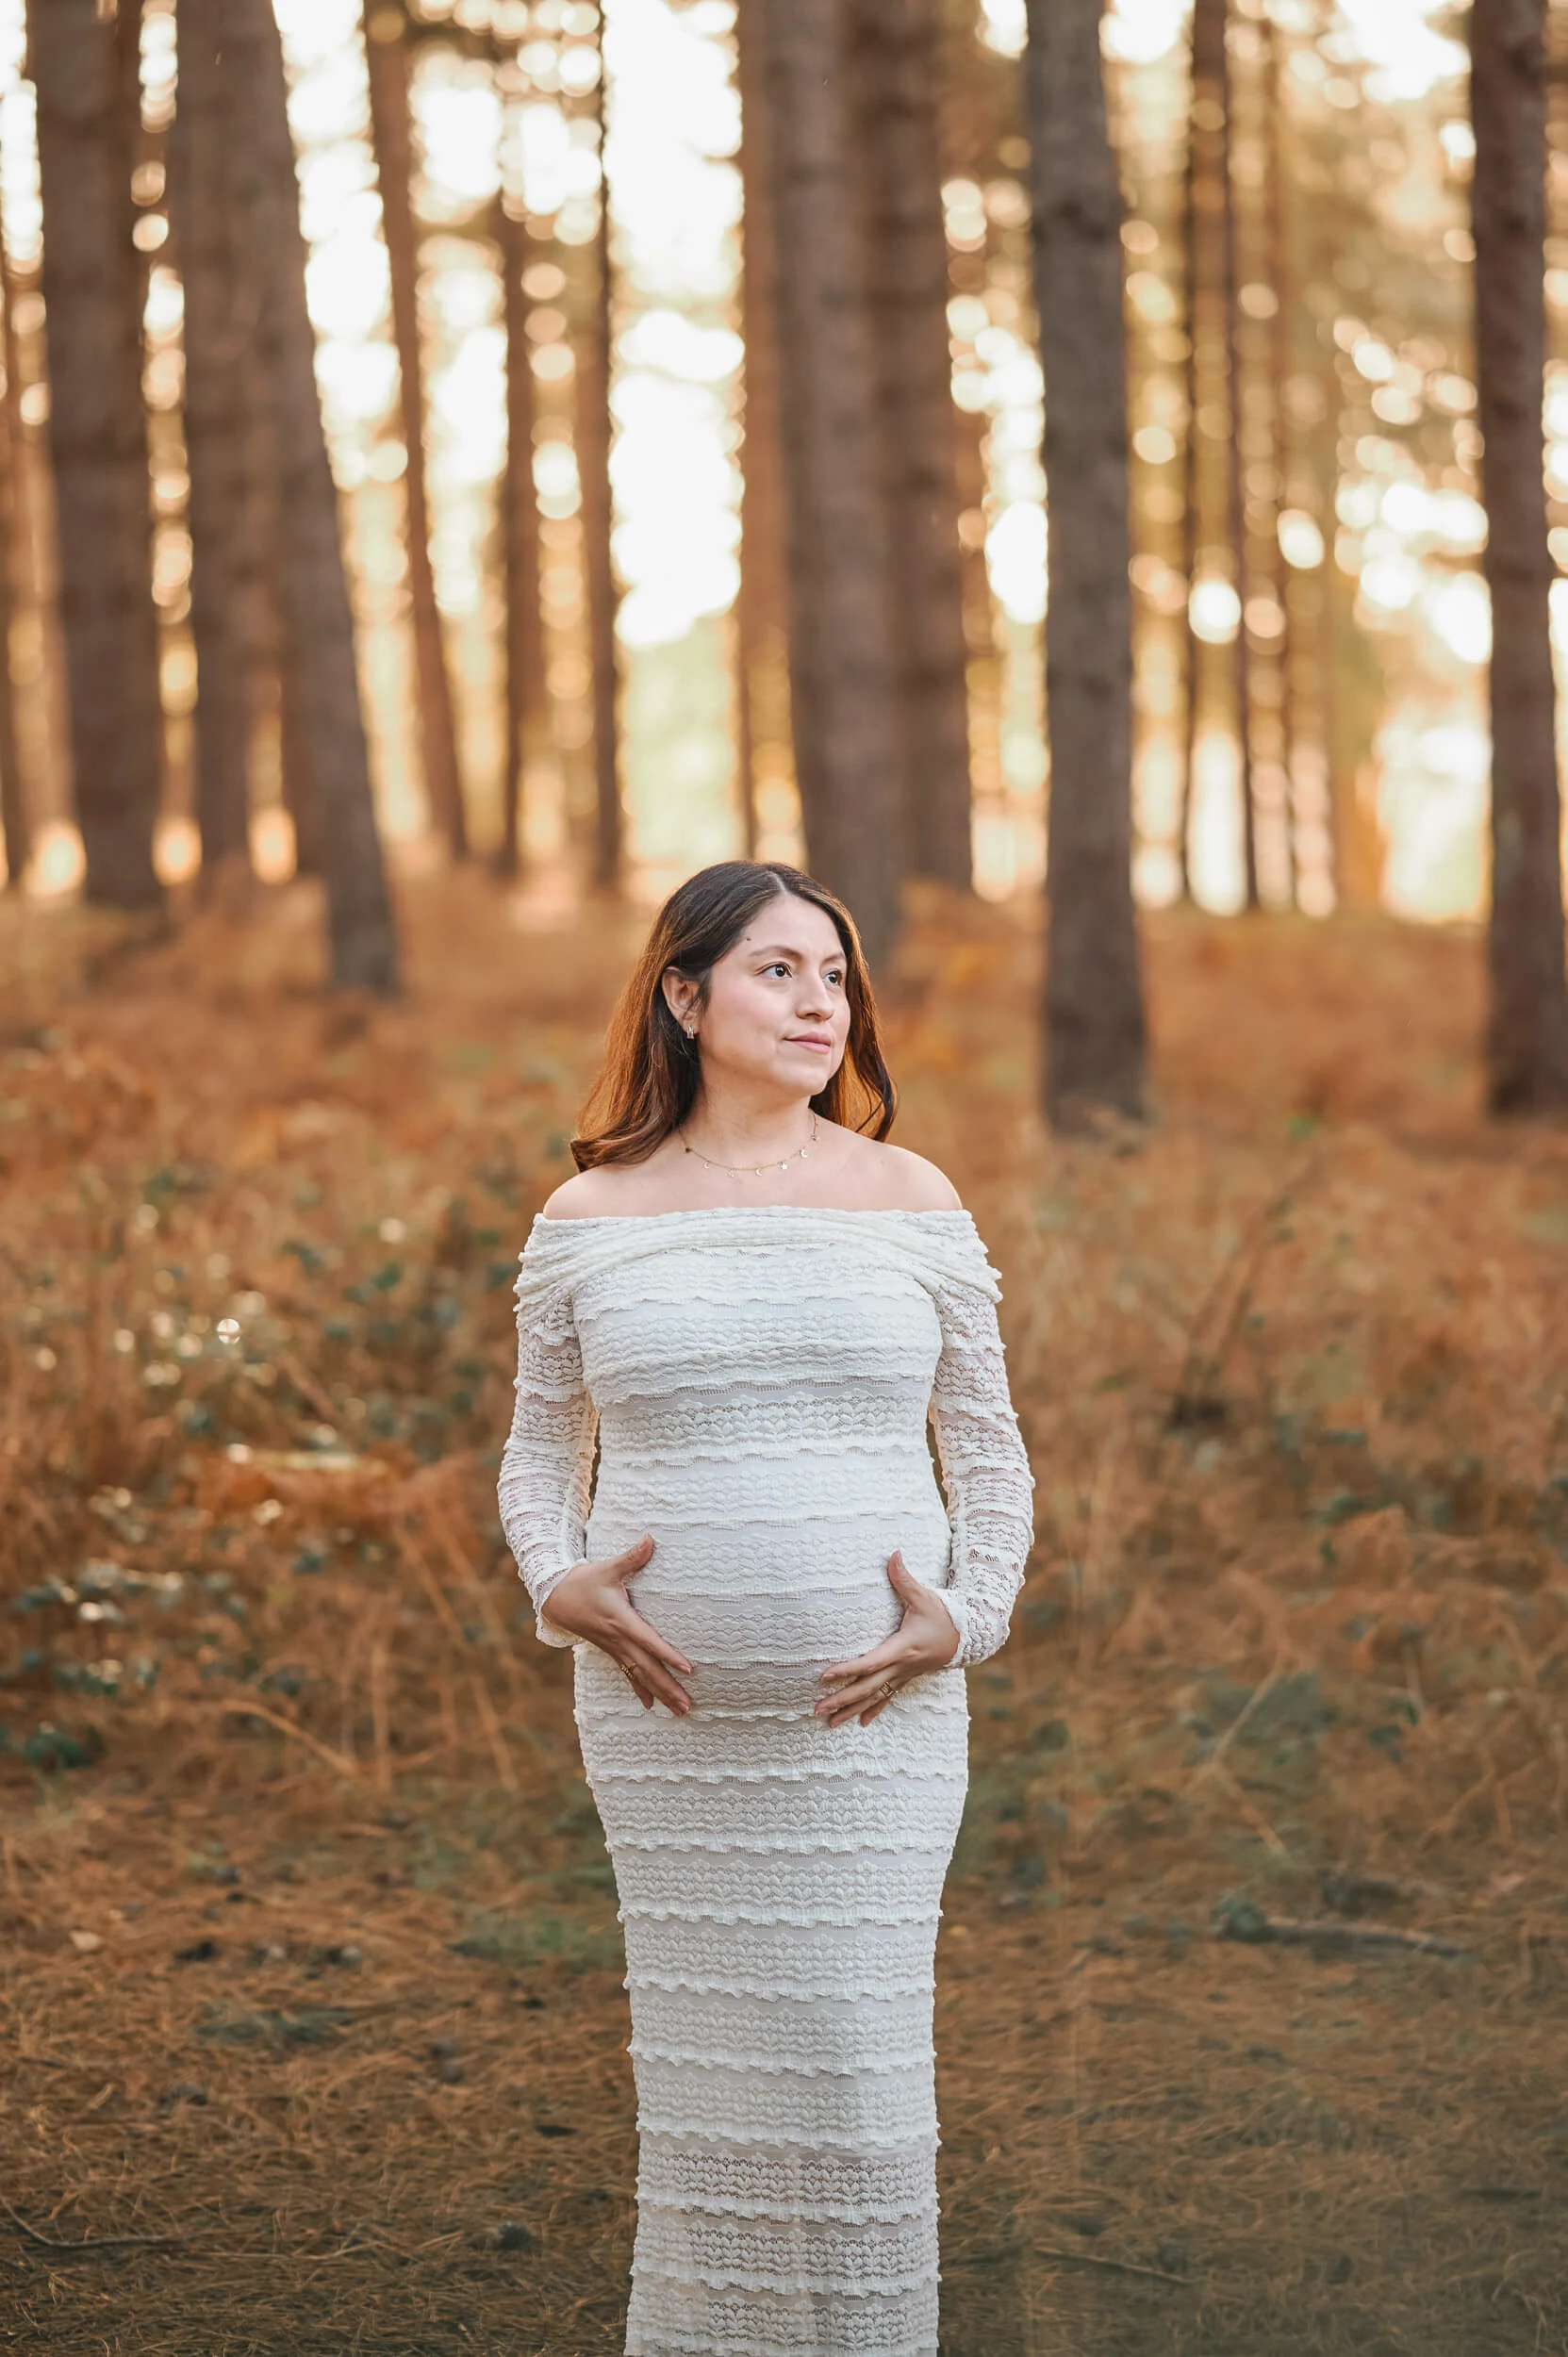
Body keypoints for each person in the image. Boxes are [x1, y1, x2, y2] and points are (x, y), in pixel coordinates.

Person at [499, 859, 1034, 2356]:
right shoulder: (590, 1215)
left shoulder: (908, 1197)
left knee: (857, 2076)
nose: (820, 1004)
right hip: (668, 1729)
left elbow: (987, 1451)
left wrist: (964, 1621)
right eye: (777, 972)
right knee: (710, 2083)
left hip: (876, 1725)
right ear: (684, 992)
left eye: (835, 976)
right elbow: (539, 1452)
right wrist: (558, 1582)